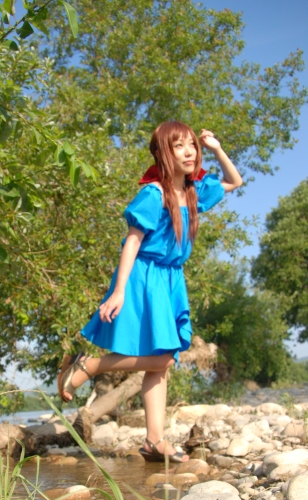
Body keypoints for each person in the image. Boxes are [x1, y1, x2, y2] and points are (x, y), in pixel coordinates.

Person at [57, 120, 243, 463]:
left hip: (171, 279)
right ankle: (90, 366)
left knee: (161, 363)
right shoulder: (154, 194)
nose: (189, 151)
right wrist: (119, 291)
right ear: (162, 154)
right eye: (178, 146)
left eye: (192, 145)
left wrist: (216, 148)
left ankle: (154, 441)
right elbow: (132, 242)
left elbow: (234, 181)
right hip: (145, 276)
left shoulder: (193, 192)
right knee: (164, 356)